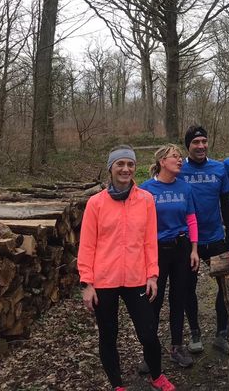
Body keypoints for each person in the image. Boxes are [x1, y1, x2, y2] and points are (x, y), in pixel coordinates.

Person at [78, 145, 176, 391]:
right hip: (104, 280)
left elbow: (149, 241)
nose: (125, 169)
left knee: (148, 333)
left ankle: (157, 376)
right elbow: (87, 245)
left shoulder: (145, 200)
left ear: (135, 168)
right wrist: (87, 283)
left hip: (137, 278)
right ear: (110, 168)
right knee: (108, 335)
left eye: (130, 164)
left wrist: (152, 275)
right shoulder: (95, 203)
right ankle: (117, 385)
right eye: (120, 164)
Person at [140, 144, 200, 370]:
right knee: (153, 300)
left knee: (179, 298)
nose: (180, 160)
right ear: (162, 162)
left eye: (179, 157)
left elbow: (192, 219)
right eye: (175, 157)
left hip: (181, 247)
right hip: (156, 250)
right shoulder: (146, 190)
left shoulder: (185, 188)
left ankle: (177, 346)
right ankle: (149, 352)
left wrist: (194, 249)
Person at [180, 125, 229, 355]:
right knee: (187, 288)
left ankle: (222, 333)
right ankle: (195, 333)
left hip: (215, 238)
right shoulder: (178, 169)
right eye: (195, 142)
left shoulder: (219, 168)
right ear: (188, 146)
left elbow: (226, 204)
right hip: (187, 240)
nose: (201, 146)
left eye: (204, 141)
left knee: (225, 284)